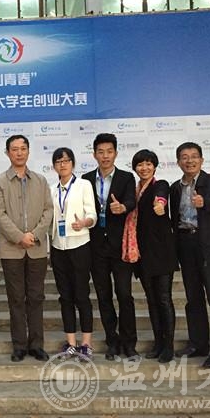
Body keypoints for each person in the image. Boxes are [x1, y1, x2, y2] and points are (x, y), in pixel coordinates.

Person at [0, 134, 53, 362]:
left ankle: (36, 345)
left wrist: (34, 235)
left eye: (23, 148)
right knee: (16, 298)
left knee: (36, 297)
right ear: (7, 153)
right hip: (11, 250)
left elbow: (48, 210)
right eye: (14, 149)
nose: (19, 152)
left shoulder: (41, 180)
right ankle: (19, 345)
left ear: (28, 151)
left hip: (37, 248)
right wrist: (19, 237)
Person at [170, 142, 210, 368]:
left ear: (202, 160)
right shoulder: (175, 188)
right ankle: (198, 344)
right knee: (193, 299)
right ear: (178, 162)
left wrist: (204, 202)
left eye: (194, 156)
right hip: (186, 245)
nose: (190, 161)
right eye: (184, 157)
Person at [82, 133, 138, 361]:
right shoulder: (85, 179)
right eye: (101, 152)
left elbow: (132, 201)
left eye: (109, 151)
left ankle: (129, 343)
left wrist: (123, 207)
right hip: (96, 247)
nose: (105, 156)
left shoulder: (126, 177)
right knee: (103, 296)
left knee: (124, 294)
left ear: (116, 153)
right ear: (94, 154)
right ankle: (112, 341)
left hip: (119, 246)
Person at [123, 149, 177, 364]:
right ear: (135, 168)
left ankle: (169, 346)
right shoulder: (134, 191)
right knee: (152, 301)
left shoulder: (160, 185)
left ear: (154, 166)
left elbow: (161, 196)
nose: (144, 168)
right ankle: (158, 343)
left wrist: (160, 204)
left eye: (148, 164)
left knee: (164, 299)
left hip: (162, 253)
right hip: (142, 255)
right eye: (140, 164)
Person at [49, 147, 97, 361]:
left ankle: (86, 343)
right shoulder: (52, 189)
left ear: (73, 163)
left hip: (80, 244)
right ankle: (70, 343)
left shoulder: (84, 185)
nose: (63, 164)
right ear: (54, 166)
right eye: (59, 161)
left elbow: (92, 213)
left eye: (66, 160)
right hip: (58, 246)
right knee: (65, 297)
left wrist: (85, 222)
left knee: (81, 295)